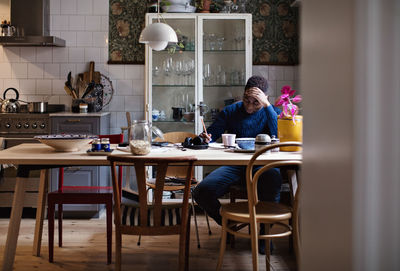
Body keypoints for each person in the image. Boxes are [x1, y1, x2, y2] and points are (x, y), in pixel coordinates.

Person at [193, 75, 282, 226]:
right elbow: (212, 134)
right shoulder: (231, 110)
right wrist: (206, 137)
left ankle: (263, 235)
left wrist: (267, 106)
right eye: (247, 100)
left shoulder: (272, 112)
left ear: (265, 98)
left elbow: (278, 136)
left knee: (272, 181)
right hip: (235, 164)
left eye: (256, 102)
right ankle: (228, 224)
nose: (249, 106)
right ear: (243, 94)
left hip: (263, 164)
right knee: (201, 192)